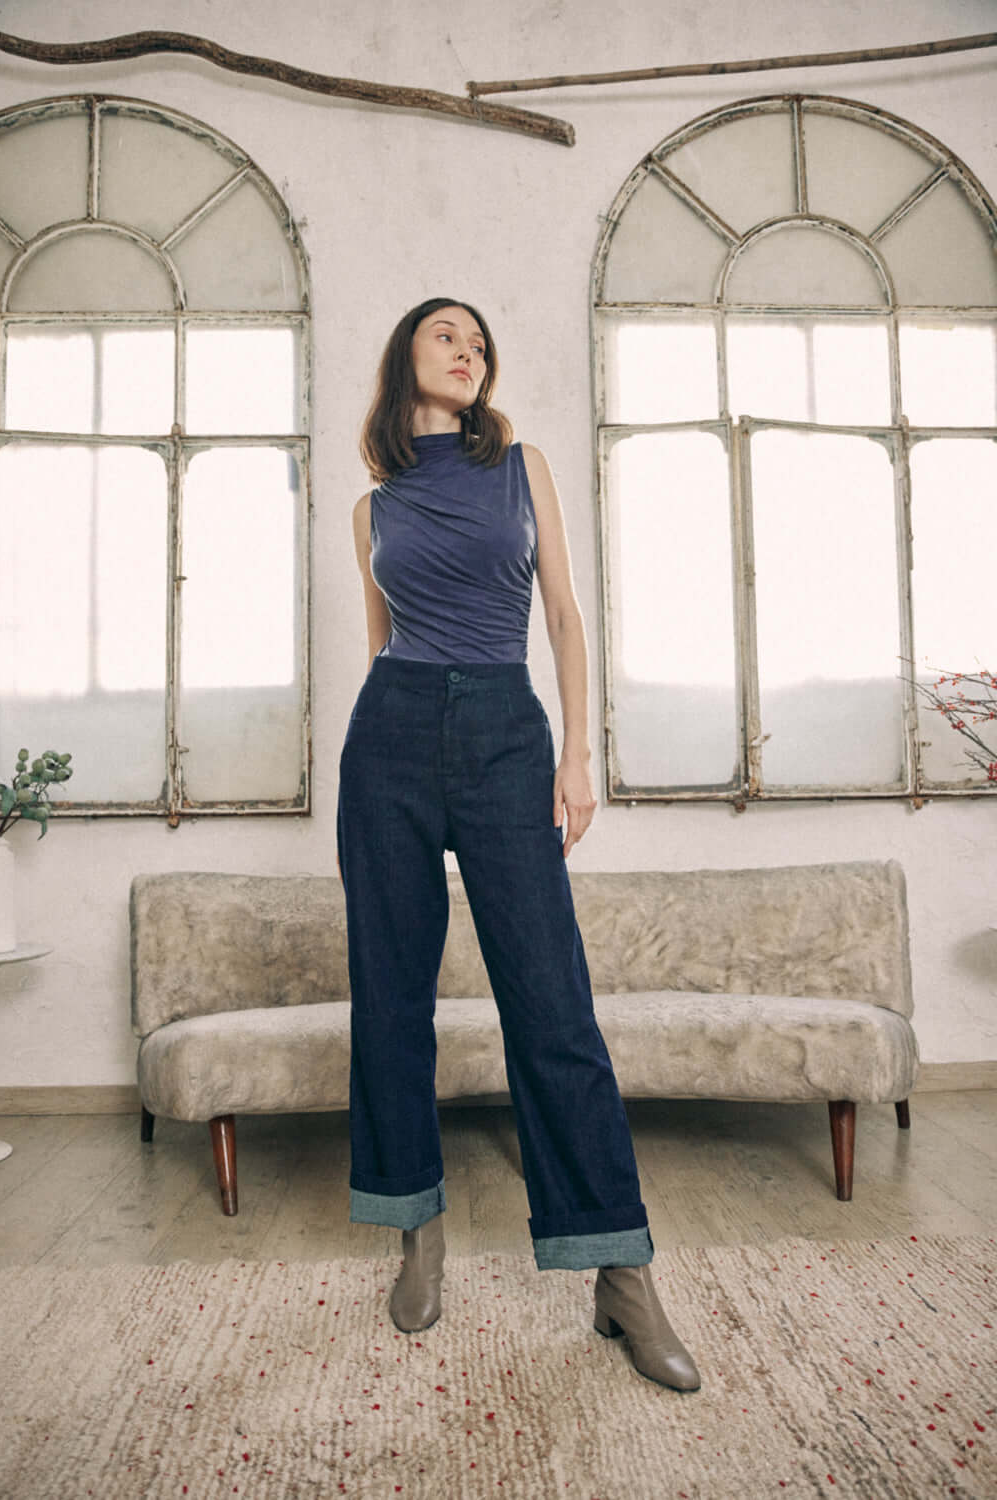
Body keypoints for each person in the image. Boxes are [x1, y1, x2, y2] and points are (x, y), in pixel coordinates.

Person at [337, 296, 700, 1392]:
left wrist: (575, 760)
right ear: (404, 349)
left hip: (504, 731)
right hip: (391, 736)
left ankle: (619, 1272)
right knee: (390, 997)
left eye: (480, 342)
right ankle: (417, 1232)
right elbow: (379, 638)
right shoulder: (372, 505)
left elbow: (565, 617)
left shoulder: (519, 464)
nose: (467, 350)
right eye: (447, 334)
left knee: (550, 1002)